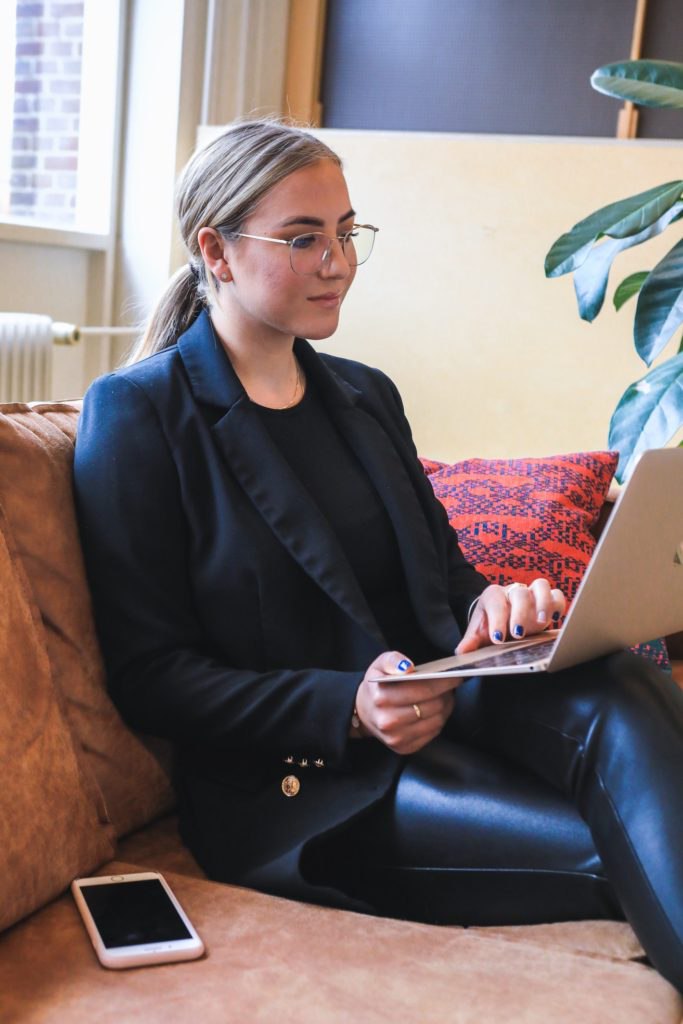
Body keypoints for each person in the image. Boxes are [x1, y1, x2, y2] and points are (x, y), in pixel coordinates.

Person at [73, 118, 683, 992]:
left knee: (622, 683)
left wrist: (492, 606)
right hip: (312, 786)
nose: (337, 262)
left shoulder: (363, 395)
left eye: (346, 232)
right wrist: (349, 708)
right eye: (302, 238)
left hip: (452, 707)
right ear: (215, 249)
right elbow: (149, 673)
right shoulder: (139, 415)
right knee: (625, 845)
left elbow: (446, 578)